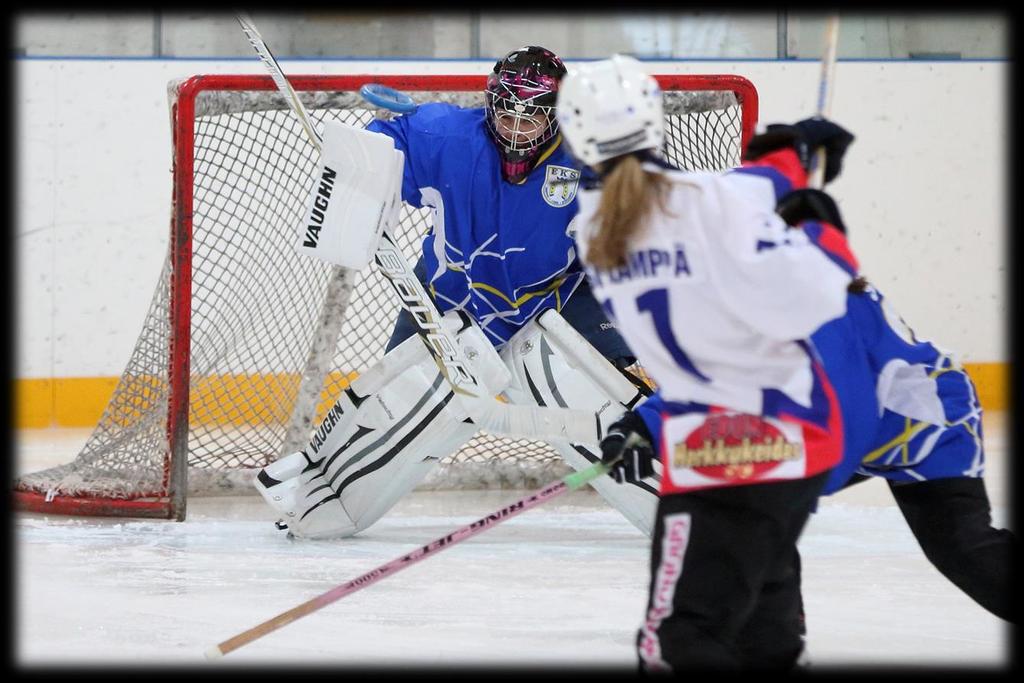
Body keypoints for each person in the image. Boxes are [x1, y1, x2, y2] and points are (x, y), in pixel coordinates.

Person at [252, 46, 658, 540]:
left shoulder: (589, 153)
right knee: (394, 404)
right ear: (490, 101)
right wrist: (357, 170)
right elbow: (384, 143)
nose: (515, 124)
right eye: (506, 108)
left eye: (531, 115)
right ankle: (313, 493)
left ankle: (689, 499)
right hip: (449, 299)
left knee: (614, 396)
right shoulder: (443, 135)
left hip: (560, 298)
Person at [557, 54, 859, 670]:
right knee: (763, 637)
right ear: (654, 118)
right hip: (793, 446)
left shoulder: (594, 231)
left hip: (711, 453)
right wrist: (814, 216)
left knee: (679, 641)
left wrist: (784, 159)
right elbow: (821, 294)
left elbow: (714, 202)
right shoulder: (719, 200)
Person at [774, 186, 1018, 626]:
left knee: (966, 551)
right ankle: (769, 633)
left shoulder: (827, 310)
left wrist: (805, 483)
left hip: (925, 428)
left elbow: (853, 414)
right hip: (866, 428)